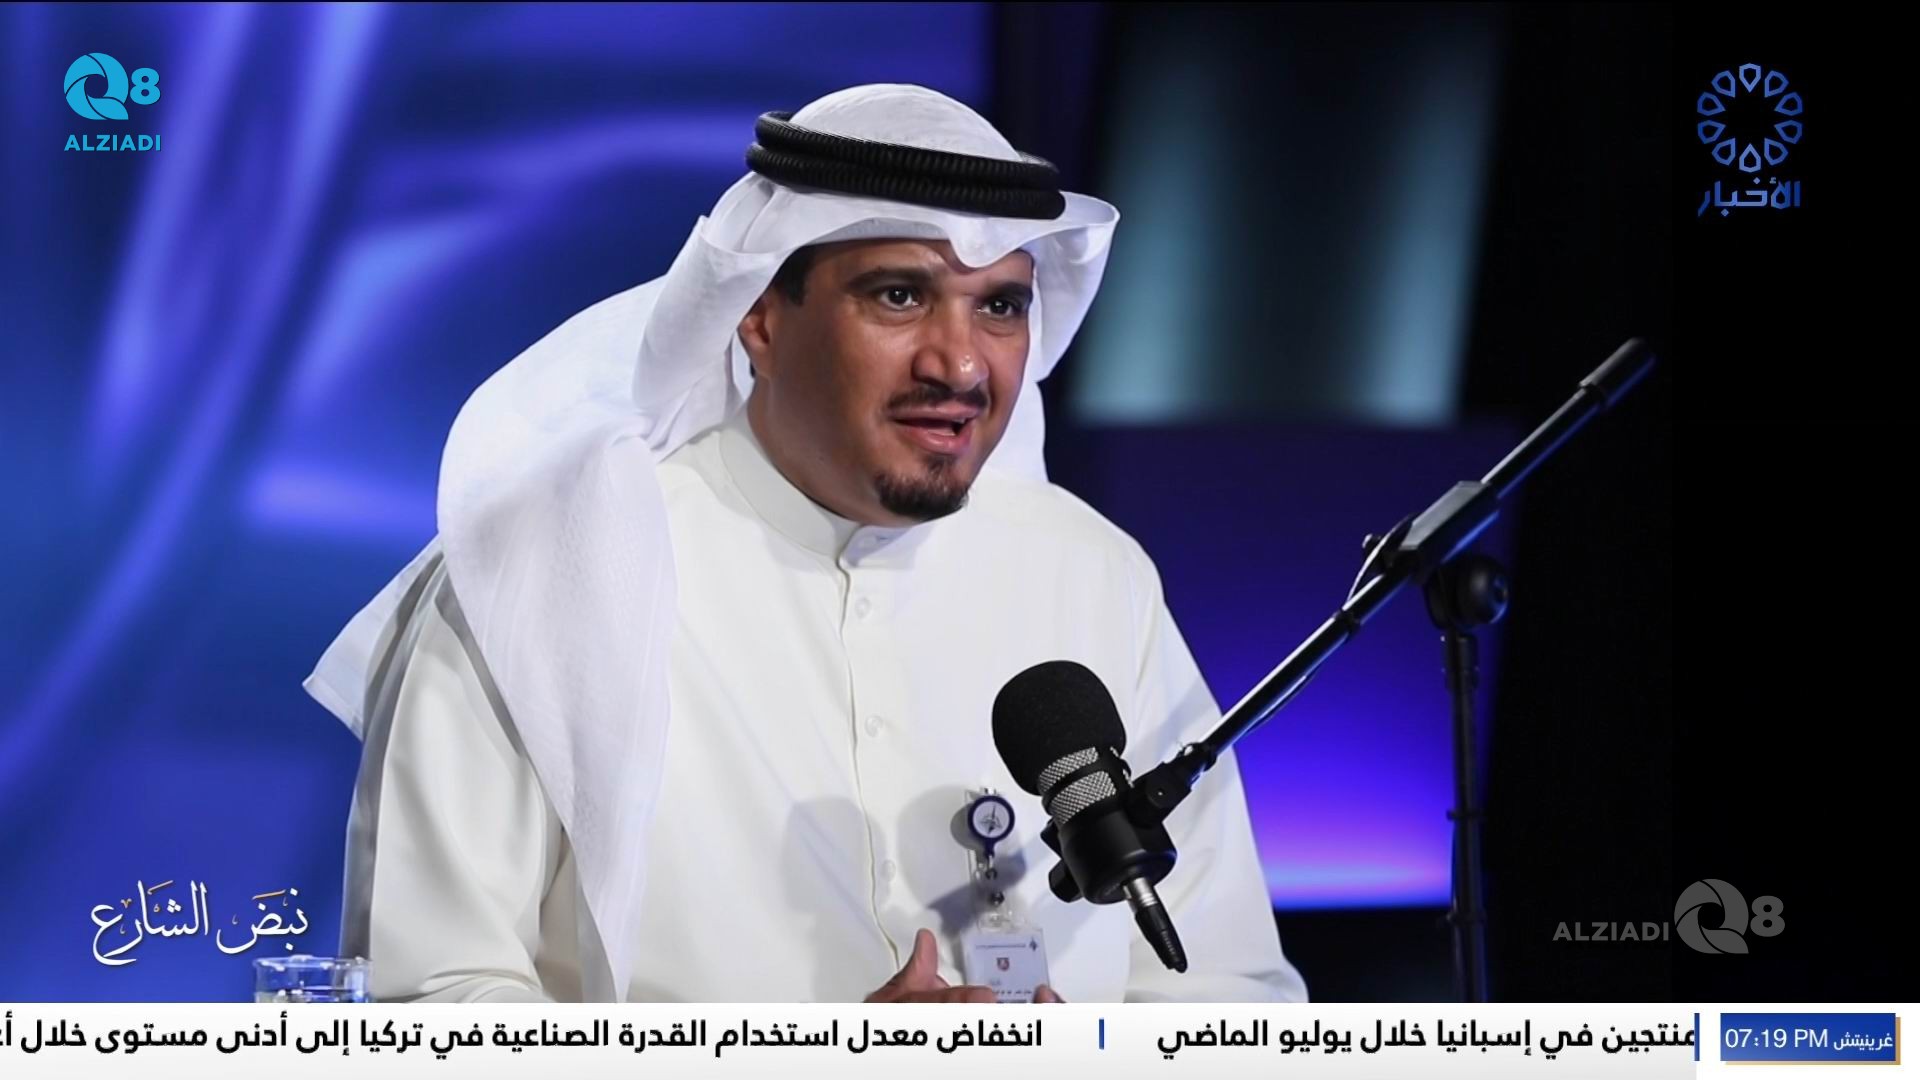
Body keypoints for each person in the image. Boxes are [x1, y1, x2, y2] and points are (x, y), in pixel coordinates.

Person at [305, 83, 1308, 1004]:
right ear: (758, 319)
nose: (960, 364)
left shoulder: (1090, 574)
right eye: (899, 295)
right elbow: (425, 1006)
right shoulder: (550, 567)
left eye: (1001, 306)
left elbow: (1228, 992)